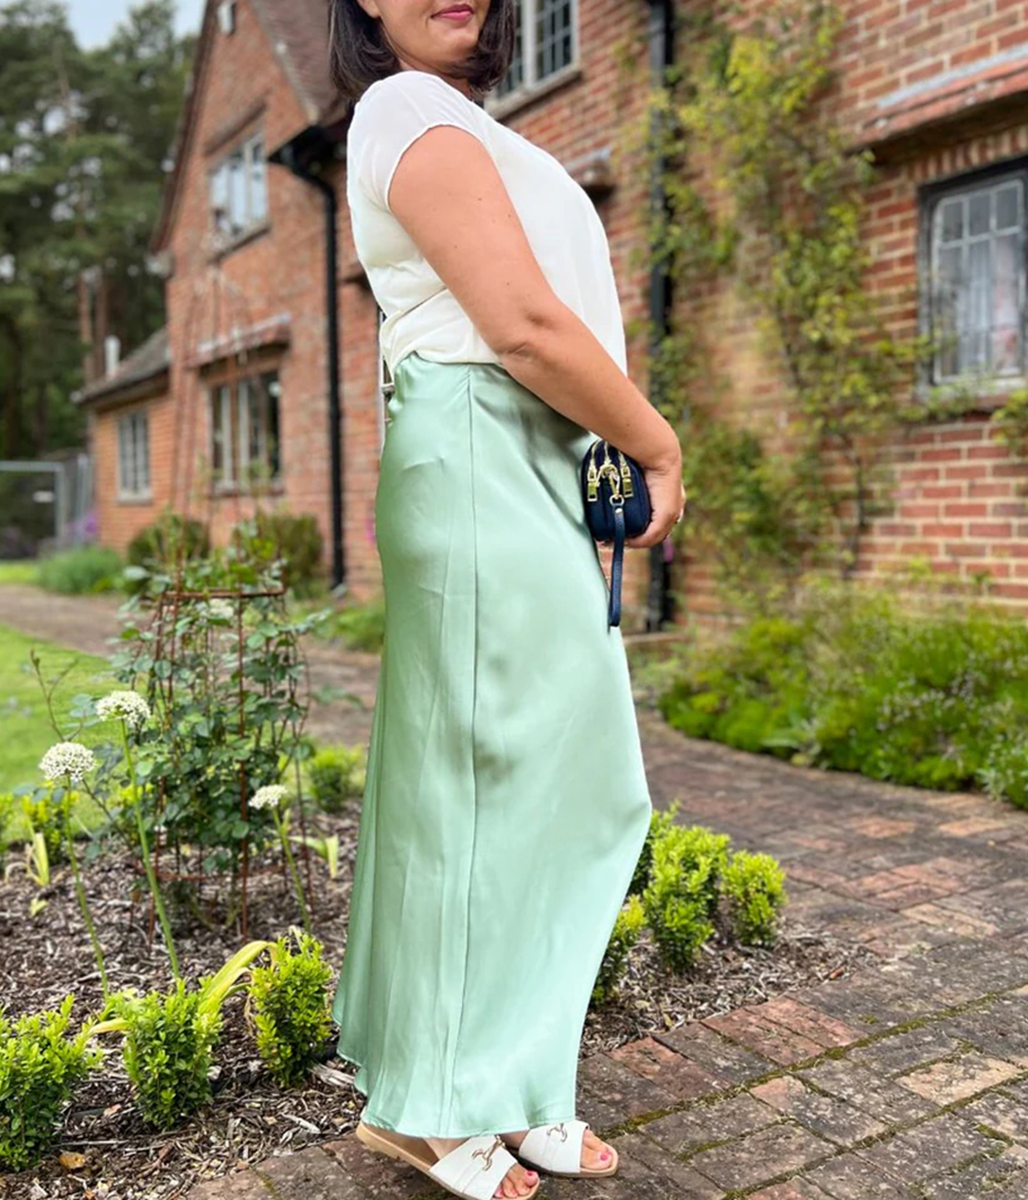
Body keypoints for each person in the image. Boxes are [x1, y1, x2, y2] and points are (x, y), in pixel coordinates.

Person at [326, 0, 687, 1195]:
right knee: (505, 781)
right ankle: (433, 1105)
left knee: (532, 779)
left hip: (519, 454)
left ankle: (514, 1084)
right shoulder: (401, 107)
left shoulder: (463, 119)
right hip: (479, 443)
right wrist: (657, 443)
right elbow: (525, 327)